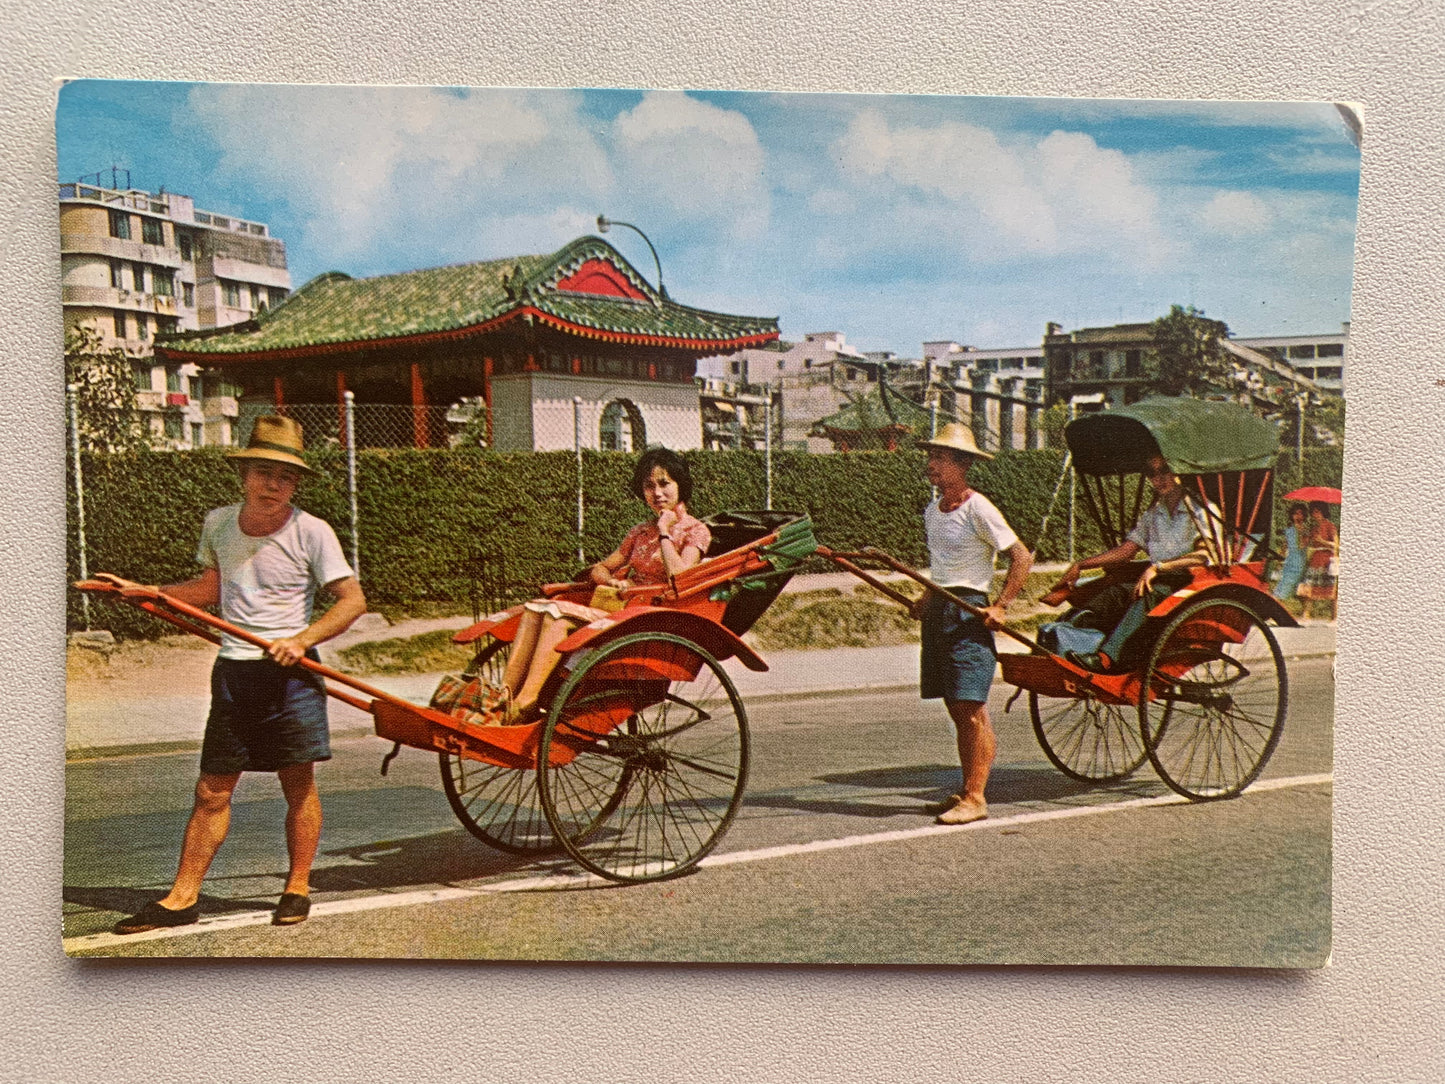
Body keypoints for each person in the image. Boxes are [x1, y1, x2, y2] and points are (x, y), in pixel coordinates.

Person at [99, 416, 366, 934]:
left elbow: (352, 600)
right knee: (211, 791)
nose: (273, 485)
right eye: (264, 472)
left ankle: (297, 887)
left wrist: (302, 639)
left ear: (295, 484)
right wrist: (148, 591)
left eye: (285, 477)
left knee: (298, 785)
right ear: (243, 475)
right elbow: (209, 591)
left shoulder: (312, 531)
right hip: (235, 673)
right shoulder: (219, 523)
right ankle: (182, 896)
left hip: (291, 674)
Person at [496, 447, 710, 720]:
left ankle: (526, 702)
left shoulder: (696, 531)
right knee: (535, 609)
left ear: (681, 485)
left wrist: (665, 532)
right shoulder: (639, 532)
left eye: (664, 483)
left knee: (557, 619)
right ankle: (506, 694)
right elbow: (599, 569)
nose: (657, 493)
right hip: (624, 607)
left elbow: (679, 578)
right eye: (648, 486)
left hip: (653, 618)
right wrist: (612, 581)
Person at [913, 424, 1032, 826]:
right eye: (931, 457)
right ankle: (968, 787)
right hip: (941, 610)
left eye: (940, 459)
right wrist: (926, 598)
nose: (932, 465)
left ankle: (976, 797)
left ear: (962, 465)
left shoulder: (978, 507)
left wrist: (1002, 605)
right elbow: (941, 567)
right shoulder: (933, 510)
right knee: (956, 706)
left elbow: (1021, 556)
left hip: (970, 610)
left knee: (971, 706)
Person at [1051, 453, 1216, 673]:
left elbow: (1204, 555)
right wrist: (1080, 565)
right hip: (1158, 579)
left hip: (1190, 583)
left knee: (1148, 595)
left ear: (1180, 471)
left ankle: (1107, 658)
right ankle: (1069, 639)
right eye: (1152, 473)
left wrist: (1158, 568)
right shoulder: (1155, 514)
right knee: (1115, 593)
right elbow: (1126, 551)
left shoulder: (1201, 510)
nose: (1159, 478)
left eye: (1165, 470)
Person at [1301, 501, 1339, 622]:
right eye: (1313, 511)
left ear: (1323, 512)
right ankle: (1305, 615)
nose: (1314, 514)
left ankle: (1334, 617)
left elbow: (1337, 545)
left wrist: (1322, 541)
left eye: (1317, 511)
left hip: (1327, 559)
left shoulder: (1330, 526)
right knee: (1309, 586)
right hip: (1316, 559)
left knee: (1331, 589)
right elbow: (1305, 544)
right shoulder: (1314, 528)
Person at [1274, 503, 1309, 602]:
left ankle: (1305, 612)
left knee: (1302, 587)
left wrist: (1301, 533)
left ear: (1304, 516)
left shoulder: (1306, 530)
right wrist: (1279, 560)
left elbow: (1303, 545)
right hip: (1290, 560)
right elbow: (1284, 547)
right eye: (1295, 514)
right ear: (1292, 516)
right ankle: (1278, 604)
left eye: (1300, 514)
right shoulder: (1288, 530)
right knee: (1284, 584)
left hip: (1301, 560)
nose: (1298, 516)